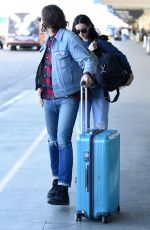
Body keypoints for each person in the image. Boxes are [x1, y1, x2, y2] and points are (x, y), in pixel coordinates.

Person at [35, 6, 97, 205]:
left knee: (63, 140)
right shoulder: (48, 40)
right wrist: (39, 87)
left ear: (49, 18)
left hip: (67, 97)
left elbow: (89, 59)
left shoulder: (69, 38)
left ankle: (63, 188)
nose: (41, 21)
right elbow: (45, 66)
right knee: (52, 141)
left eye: (43, 18)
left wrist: (87, 74)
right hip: (48, 98)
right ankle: (56, 181)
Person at [72, 14, 134, 132]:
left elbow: (120, 55)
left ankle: (100, 150)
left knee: (101, 125)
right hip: (81, 90)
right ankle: (85, 150)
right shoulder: (74, 44)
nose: (80, 33)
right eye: (77, 30)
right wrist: (88, 51)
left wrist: (129, 73)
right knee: (81, 128)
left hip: (99, 88)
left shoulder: (100, 42)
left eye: (83, 30)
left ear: (90, 27)